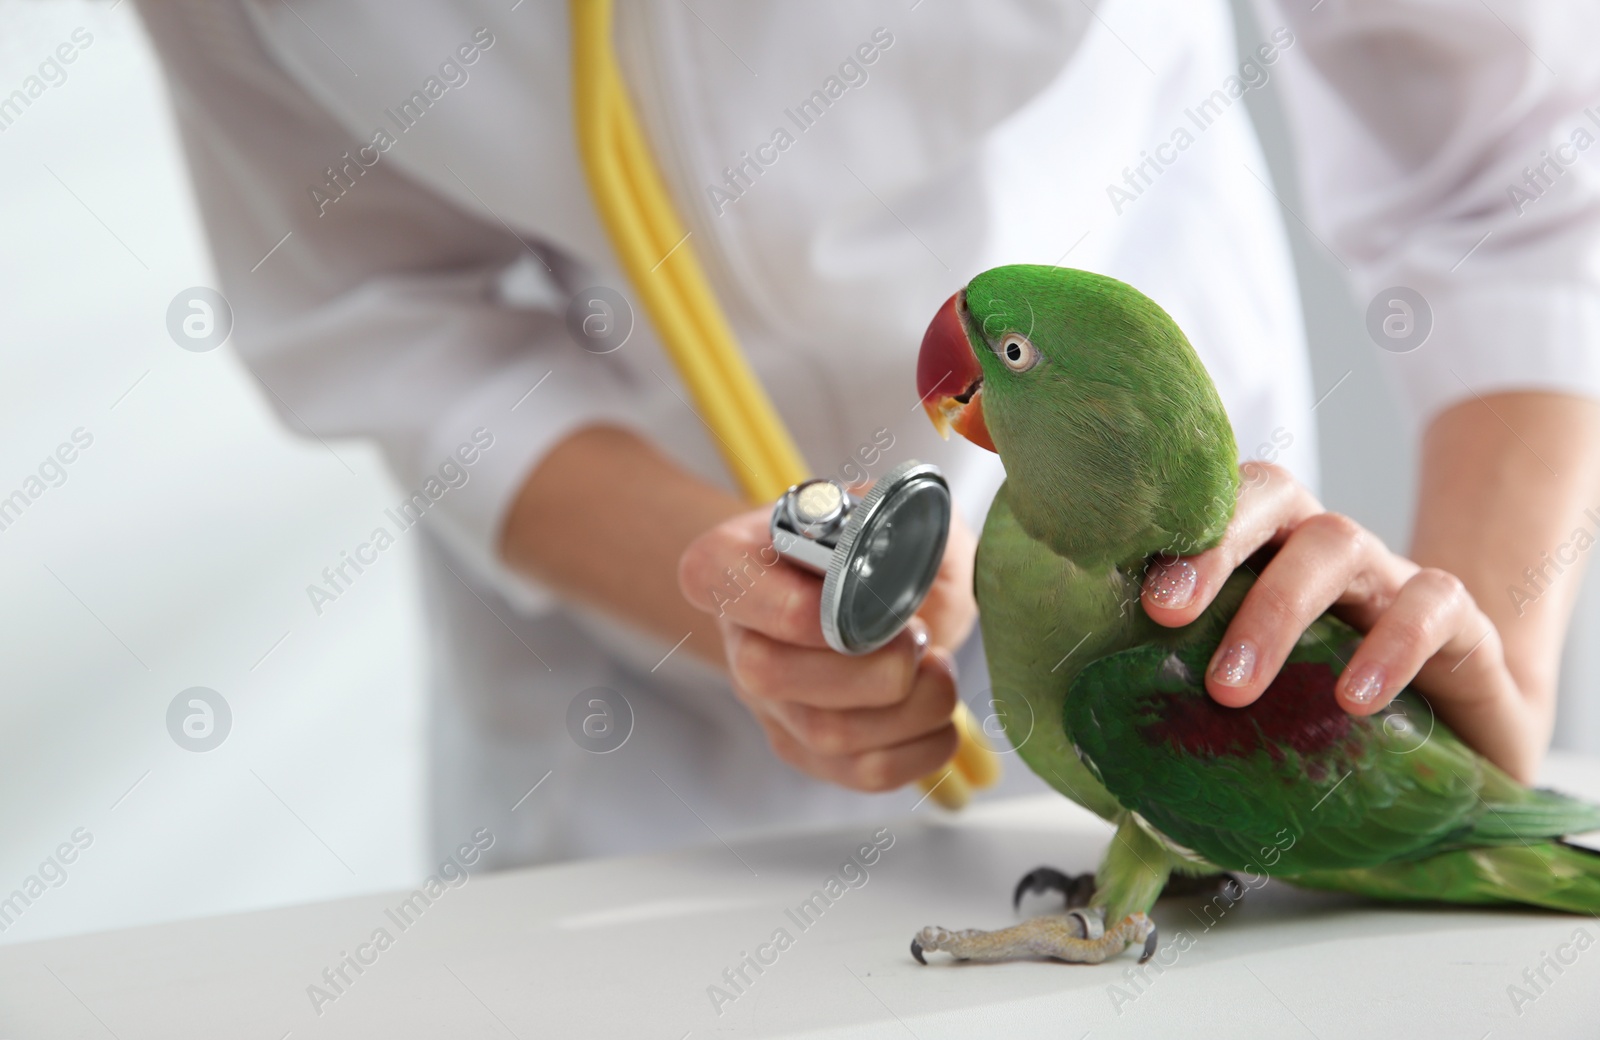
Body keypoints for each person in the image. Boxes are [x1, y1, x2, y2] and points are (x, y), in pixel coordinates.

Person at [136, 0, 1600, 869]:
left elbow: (1515, 174)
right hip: (635, 753)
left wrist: (1477, 705)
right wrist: (732, 599)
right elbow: (380, 309)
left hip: (1213, 651)